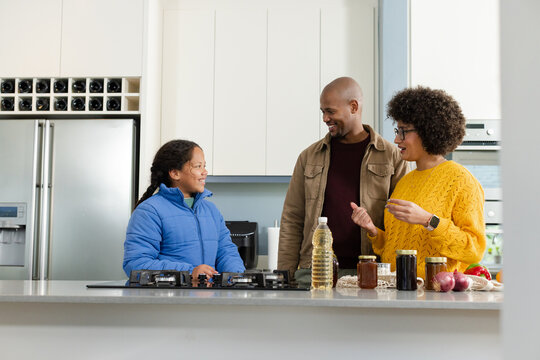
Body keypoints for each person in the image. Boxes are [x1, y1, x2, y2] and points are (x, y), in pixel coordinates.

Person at [278, 77, 409, 286]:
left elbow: (401, 225)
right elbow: (292, 219)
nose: (325, 118)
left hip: (372, 274)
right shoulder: (309, 157)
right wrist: (284, 276)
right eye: (322, 112)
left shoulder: (392, 156)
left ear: (353, 107)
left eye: (330, 111)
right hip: (314, 273)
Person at [351, 86, 486, 279]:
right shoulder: (405, 181)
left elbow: (473, 249)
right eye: (398, 131)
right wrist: (373, 231)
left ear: (428, 131)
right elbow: (395, 246)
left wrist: (428, 220)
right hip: (397, 290)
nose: (396, 139)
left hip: (435, 294)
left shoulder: (461, 181)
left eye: (403, 132)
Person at [123, 140, 245, 280]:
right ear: (175, 173)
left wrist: (236, 276)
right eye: (198, 166)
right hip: (168, 299)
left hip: (206, 298)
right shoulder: (149, 211)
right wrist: (189, 272)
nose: (204, 172)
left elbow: (226, 252)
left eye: (204, 166)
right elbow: (136, 264)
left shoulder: (211, 211)